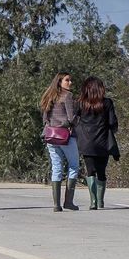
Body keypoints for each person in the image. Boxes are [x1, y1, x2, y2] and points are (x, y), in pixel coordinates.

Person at [75, 76, 118, 210]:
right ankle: (100, 201)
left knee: (90, 171)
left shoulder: (81, 103)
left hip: (86, 142)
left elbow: (74, 120)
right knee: (101, 171)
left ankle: (93, 201)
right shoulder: (107, 103)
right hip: (103, 142)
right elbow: (112, 123)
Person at [39, 72, 81, 212]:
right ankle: (68, 202)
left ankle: (56, 204)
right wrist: (78, 120)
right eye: (67, 80)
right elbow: (71, 118)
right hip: (66, 136)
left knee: (56, 167)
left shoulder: (48, 96)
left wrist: (51, 126)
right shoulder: (67, 96)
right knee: (74, 165)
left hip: (51, 136)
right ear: (59, 82)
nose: (70, 83)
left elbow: (45, 118)